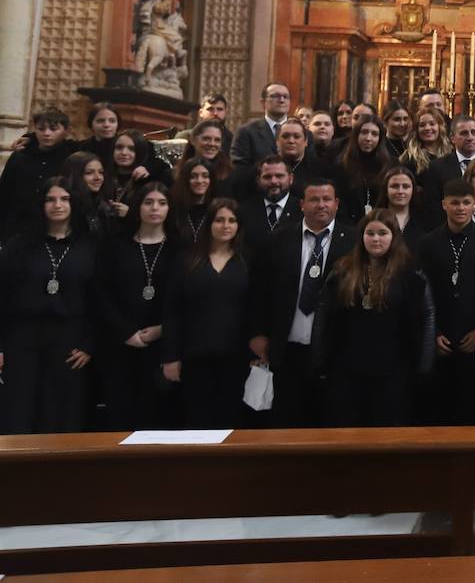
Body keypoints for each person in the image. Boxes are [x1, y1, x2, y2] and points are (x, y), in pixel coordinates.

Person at [311, 209, 435, 427]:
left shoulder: (411, 274)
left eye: (382, 233)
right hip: (346, 369)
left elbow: (427, 317)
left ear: (393, 236)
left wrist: (424, 364)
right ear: (361, 237)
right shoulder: (342, 270)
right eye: (370, 233)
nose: (376, 239)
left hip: (394, 370)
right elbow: (324, 314)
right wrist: (319, 358)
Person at [249, 179, 356, 427]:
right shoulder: (278, 239)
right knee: (287, 420)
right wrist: (257, 333)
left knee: (330, 421)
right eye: (314, 199)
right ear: (301, 204)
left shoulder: (353, 241)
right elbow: (260, 291)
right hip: (287, 348)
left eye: (327, 199)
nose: (321, 205)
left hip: (334, 351)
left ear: (337, 204)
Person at [0, 180, 98, 433]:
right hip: (22, 339)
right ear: (41, 205)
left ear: (73, 204)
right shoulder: (18, 246)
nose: (58, 205)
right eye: (50, 199)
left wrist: (90, 344)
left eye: (64, 199)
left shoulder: (89, 248)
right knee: (18, 411)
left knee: (61, 413)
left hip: (69, 341)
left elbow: (98, 300)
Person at [412, 178, 475, 425]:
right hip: (439, 338)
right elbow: (419, 292)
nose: (460, 208)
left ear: (474, 204)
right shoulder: (426, 244)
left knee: (472, 408)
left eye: (466, 202)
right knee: (437, 409)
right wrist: (433, 332)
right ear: (444, 204)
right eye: (455, 203)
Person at [161, 198, 252, 429]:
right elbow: (172, 312)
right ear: (209, 223)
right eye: (219, 220)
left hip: (237, 357)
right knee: (196, 420)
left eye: (232, 220)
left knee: (230, 419)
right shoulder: (186, 261)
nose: (225, 225)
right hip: (194, 356)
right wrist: (171, 357)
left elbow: (256, 309)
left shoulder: (249, 262)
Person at [96, 181, 180, 430]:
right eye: (148, 202)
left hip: (163, 345)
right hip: (119, 343)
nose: (155, 208)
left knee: (158, 415)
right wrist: (125, 331)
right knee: (119, 415)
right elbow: (100, 292)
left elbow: (185, 299)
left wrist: (162, 329)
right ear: (138, 207)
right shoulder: (116, 244)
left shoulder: (180, 247)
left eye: (162, 203)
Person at [0, 107, 79, 241]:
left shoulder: (71, 157)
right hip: (17, 227)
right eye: (41, 129)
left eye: (53, 129)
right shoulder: (20, 156)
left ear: (65, 131)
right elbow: (4, 193)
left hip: (53, 229)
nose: (46, 133)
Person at [237, 156, 301, 254]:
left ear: (291, 179)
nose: (273, 181)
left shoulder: (303, 209)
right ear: (258, 180)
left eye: (279, 176)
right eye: (267, 177)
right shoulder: (243, 210)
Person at [335, 115, 393, 223]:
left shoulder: (389, 165)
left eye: (374, 134)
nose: (368, 138)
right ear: (356, 135)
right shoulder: (342, 165)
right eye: (364, 132)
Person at [59, 151, 119, 241]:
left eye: (101, 172)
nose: (98, 177)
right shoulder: (64, 207)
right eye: (89, 173)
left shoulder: (104, 207)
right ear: (74, 175)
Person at [231, 83, 293, 166]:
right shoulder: (246, 132)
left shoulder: (304, 133)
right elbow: (240, 168)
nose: (282, 100)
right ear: (263, 102)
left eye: (285, 97)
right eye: (275, 96)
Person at [378, 166, 438, 246]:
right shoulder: (375, 219)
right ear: (386, 190)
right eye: (395, 186)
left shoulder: (425, 223)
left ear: (413, 191)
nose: (400, 191)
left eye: (406, 186)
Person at [169, 157, 218, 246]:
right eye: (193, 176)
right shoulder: (173, 209)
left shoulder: (217, 209)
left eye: (205, 176)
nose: (199, 181)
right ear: (185, 179)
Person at [401, 109, 452, 179]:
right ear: (416, 130)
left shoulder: (451, 153)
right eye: (422, 125)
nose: (427, 128)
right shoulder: (409, 158)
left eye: (432, 124)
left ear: (440, 127)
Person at [180, 119, 232, 184]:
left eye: (217, 140)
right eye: (206, 139)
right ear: (193, 140)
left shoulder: (232, 175)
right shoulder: (176, 174)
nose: (212, 144)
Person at [79, 103, 121, 171]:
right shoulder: (82, 148)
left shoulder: (126, 147)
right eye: (100, 121)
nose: (107, 125)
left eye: (112, 121)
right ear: (91, 124)